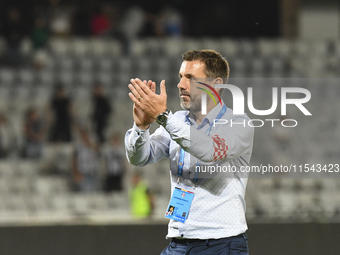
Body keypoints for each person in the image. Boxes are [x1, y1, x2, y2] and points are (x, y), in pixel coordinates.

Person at [125, 50, 254, 254]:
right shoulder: (177, 120)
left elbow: (209, 150)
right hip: (179, 242)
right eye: (181, 77)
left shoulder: (238, 123)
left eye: (191, 78)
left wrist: (163, 116)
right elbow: (139, 158)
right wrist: (140, 128)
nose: (181, 84)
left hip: (221, 242)